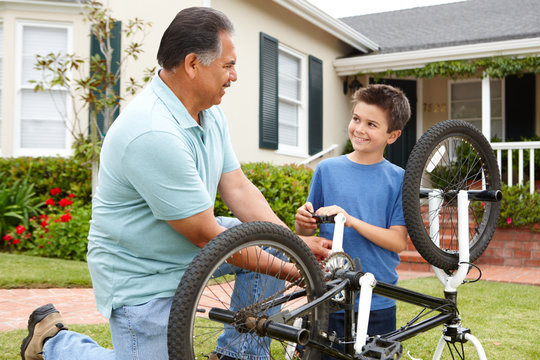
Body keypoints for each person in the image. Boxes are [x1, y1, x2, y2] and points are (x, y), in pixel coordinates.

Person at [21, 7, 331, 360]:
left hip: (187, 249)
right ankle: (52, 340)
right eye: (228, 65)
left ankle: (238, 354)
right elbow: (203, 234)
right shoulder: (153, 131)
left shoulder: (209, 113)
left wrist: (295, 247)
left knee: (272, 241)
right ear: (193, 64)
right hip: (142, 272)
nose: (234, 76)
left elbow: (238, 187)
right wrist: (296, 271)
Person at [295, 84, 411, 359]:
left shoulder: (399, 179)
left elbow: (397, 241)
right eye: (356, 119)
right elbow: (308, 226)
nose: (359, 129)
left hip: (377, 298)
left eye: (372, 124)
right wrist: (303, 223)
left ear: (392, 135)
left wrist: (352, 221)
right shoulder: (327, 169)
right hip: (327, 293)